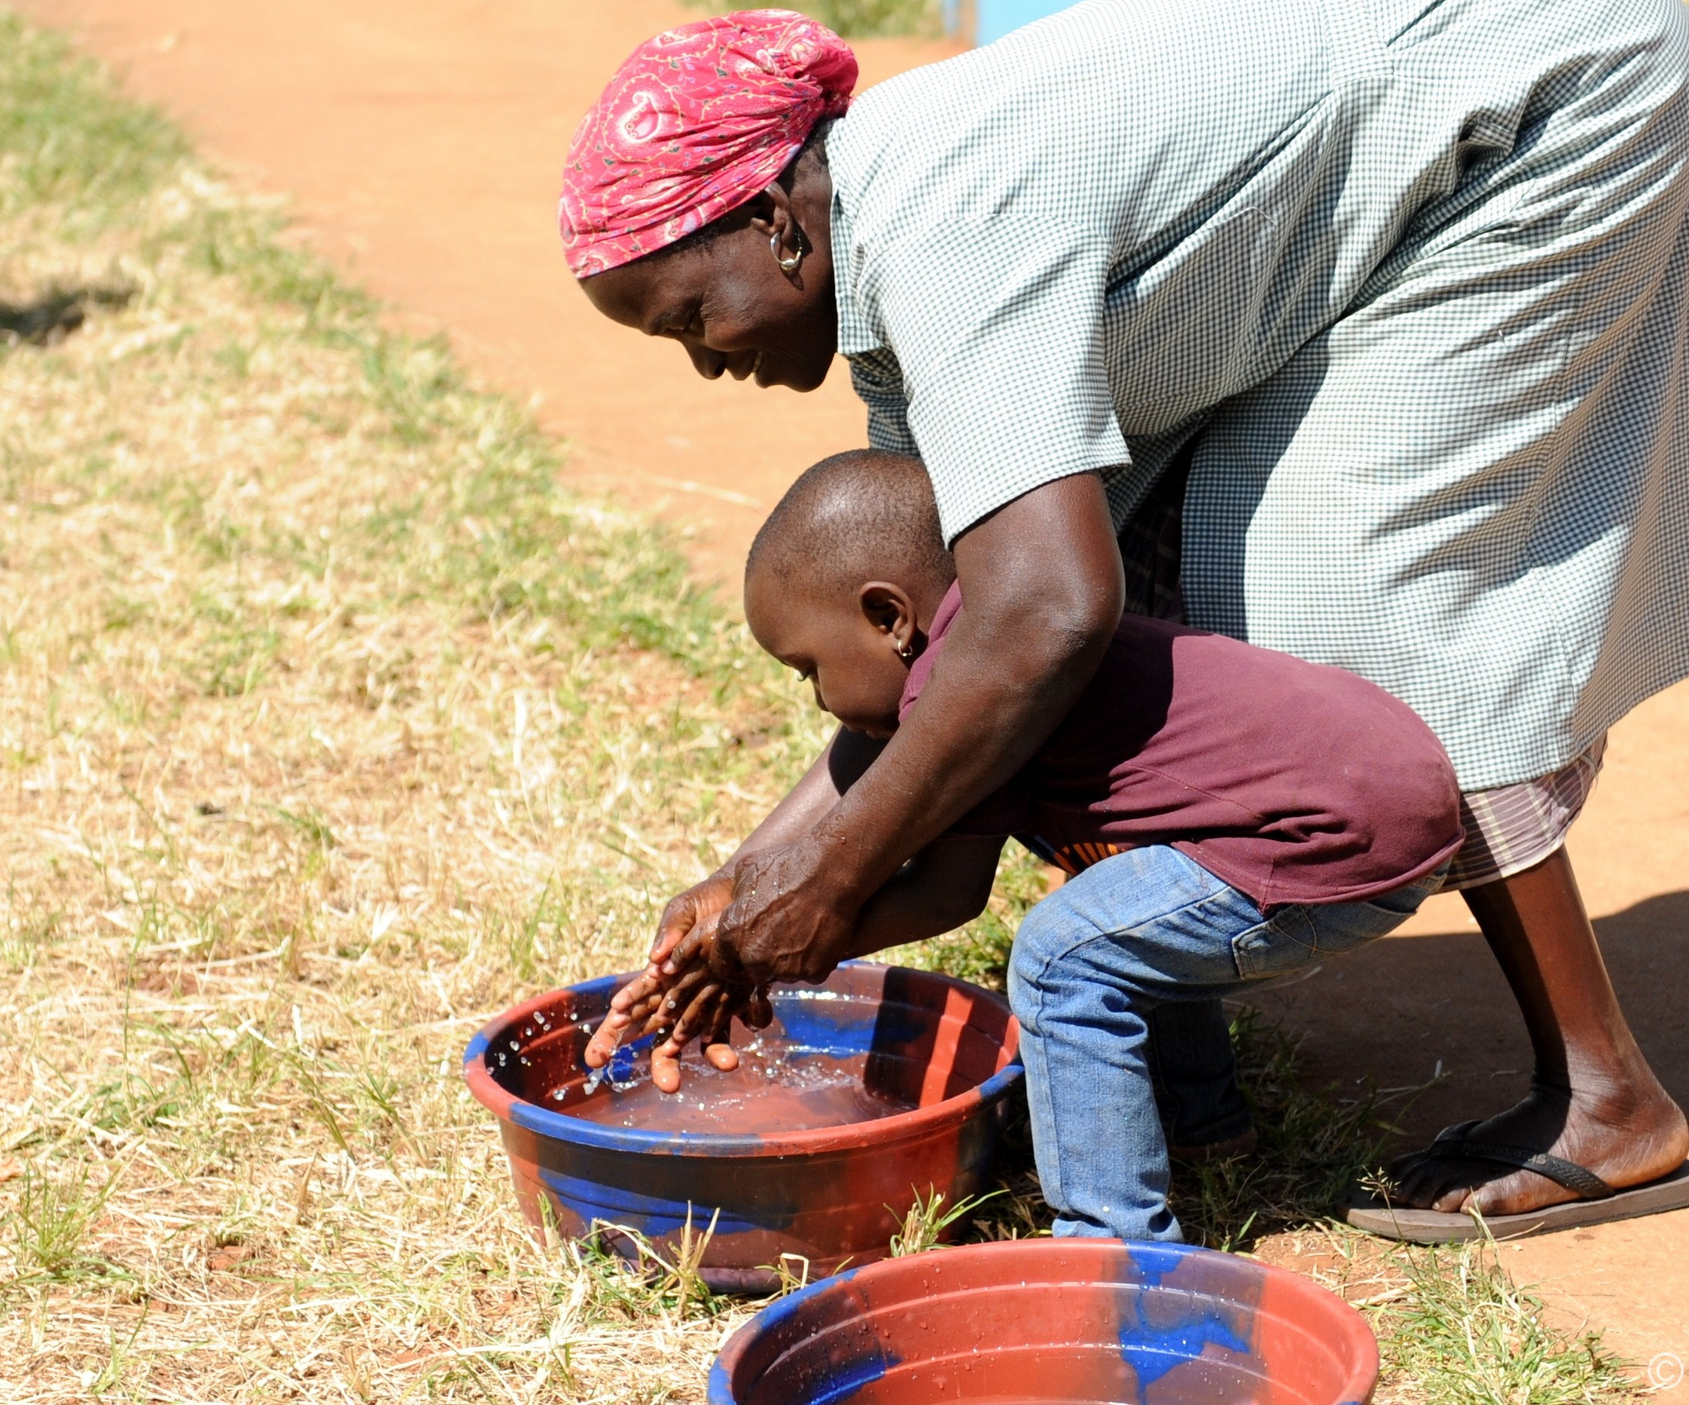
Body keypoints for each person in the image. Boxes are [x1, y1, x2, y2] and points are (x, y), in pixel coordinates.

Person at [563, 0, 1689, 1237]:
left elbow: (1045, 611)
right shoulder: (895, 289)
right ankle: (1187, 1079)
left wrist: (825, 881)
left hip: (1542, 87)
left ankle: (1608, 1101)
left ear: (777, 221)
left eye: (695, 314)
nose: (708, 360)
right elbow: (959, 642)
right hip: (1421, 131)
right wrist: (750, 877)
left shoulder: (939, 226)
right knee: (1164, 580)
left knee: (1371, 602)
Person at [588, 450, 1468, 1242]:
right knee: (1123, 904)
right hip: (1374, 788)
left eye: (809, 668)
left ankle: (1110, 1241)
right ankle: (1202, 1124)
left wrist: (772, 953)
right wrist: (736, 903)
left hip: (1331, 837)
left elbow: (948, 892)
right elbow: (876, 789)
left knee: (1062, 957)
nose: (816, 700)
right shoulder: (990, 624)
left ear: (890, 617)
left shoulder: (976, 678)